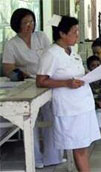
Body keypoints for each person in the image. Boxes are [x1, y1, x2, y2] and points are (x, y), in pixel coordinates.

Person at [36, 15, 101, 171]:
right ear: (62, 34)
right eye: (74, 31)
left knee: (83, 146)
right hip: (69, 109)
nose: (77, 34)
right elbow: (41, 81)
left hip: (83, 106)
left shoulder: (72, 51)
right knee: (78, 148)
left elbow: (76, 72)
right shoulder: (51, 54)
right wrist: (66, 83)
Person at [2, 8, 63, 168]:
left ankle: (53, 156)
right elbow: (8, 68)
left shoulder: (41, 37)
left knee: (51, 117)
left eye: (31, 21)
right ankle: (35, 158)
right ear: (17, 25)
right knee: (31, 120)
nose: (30, 25)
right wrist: (18, 73)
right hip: (28, 83)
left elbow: (51, 57)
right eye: (25, 23)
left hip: (46, 80)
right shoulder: (12, 44)